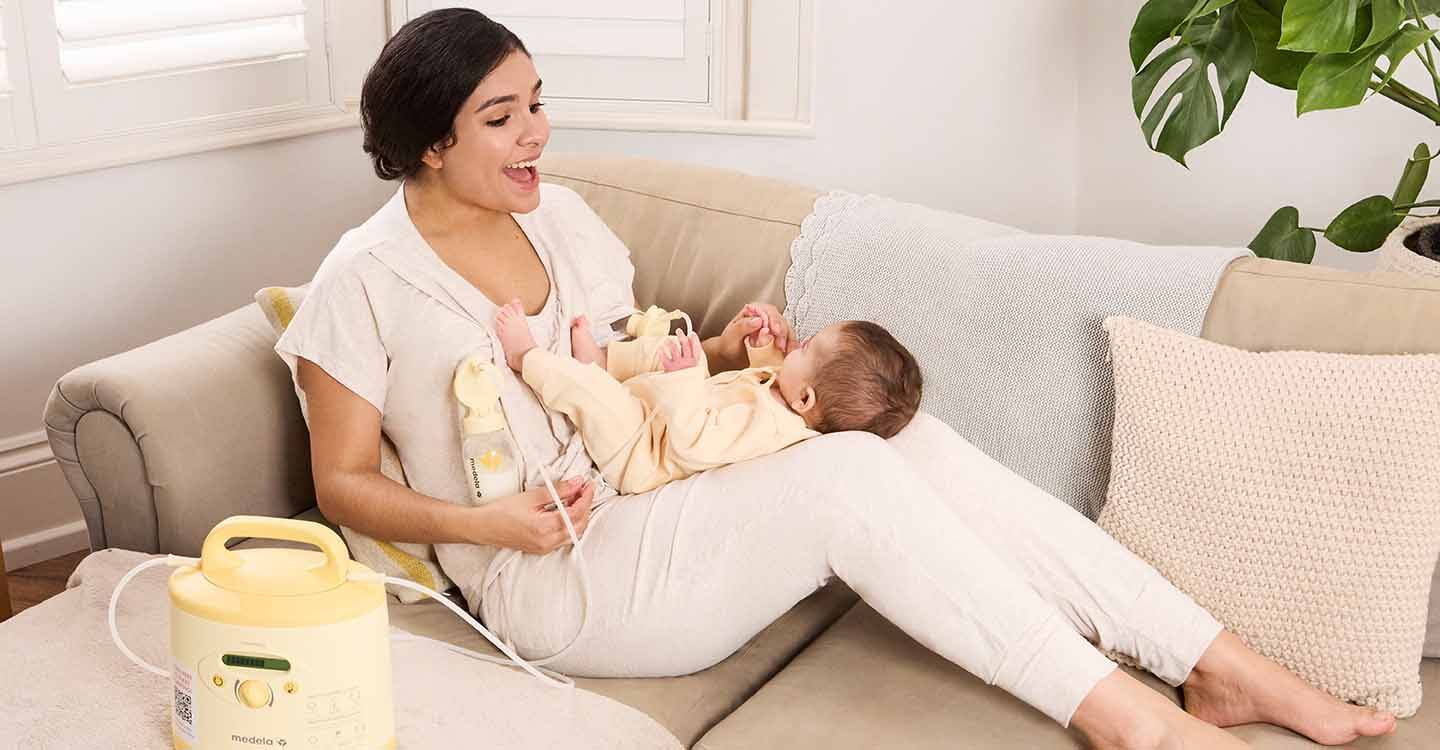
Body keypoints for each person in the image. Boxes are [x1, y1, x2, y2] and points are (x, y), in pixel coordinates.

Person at [278, 8, 1399, 749]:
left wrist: (724, 354)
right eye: (502, 118)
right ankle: (1131, 723)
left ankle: (1219, 663)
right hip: (559, 577)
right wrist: (486, 525)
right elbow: (341, 485)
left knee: (904, 436)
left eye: (537, 102)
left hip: (661, 486)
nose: (539, 134)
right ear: (430, 144)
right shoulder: (364, 283)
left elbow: (628, 364)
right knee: (843, 480)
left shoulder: (562, 218)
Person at [492, 297, 924, 495]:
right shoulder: (789, 400)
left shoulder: (771, 429)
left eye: (807, 348)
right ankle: (602, 360)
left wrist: (683, 381)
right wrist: (758, 338)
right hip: (657, 419)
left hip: (644, 456)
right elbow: (769, 376)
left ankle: (526, 357)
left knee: (598, 397)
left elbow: (695, 445)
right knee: (680, 351)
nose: (799, 343)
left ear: (807, 401)